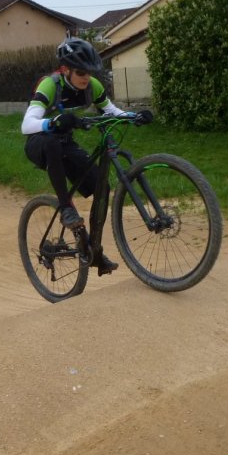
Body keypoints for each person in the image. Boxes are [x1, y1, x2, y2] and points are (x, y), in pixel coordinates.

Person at [21, 38, 151, 277]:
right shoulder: (50, 85)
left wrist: (133, 116)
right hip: (39, 142)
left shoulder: (92, 86)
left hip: (65, 144)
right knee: (51, 142)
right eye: (81, 72)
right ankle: (65, 208)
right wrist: (53, 122)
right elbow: (26, 124)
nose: (86, 77)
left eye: (90, 72)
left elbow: (111, 111)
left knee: (100, 187)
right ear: (65, 69)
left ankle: (92, 249)